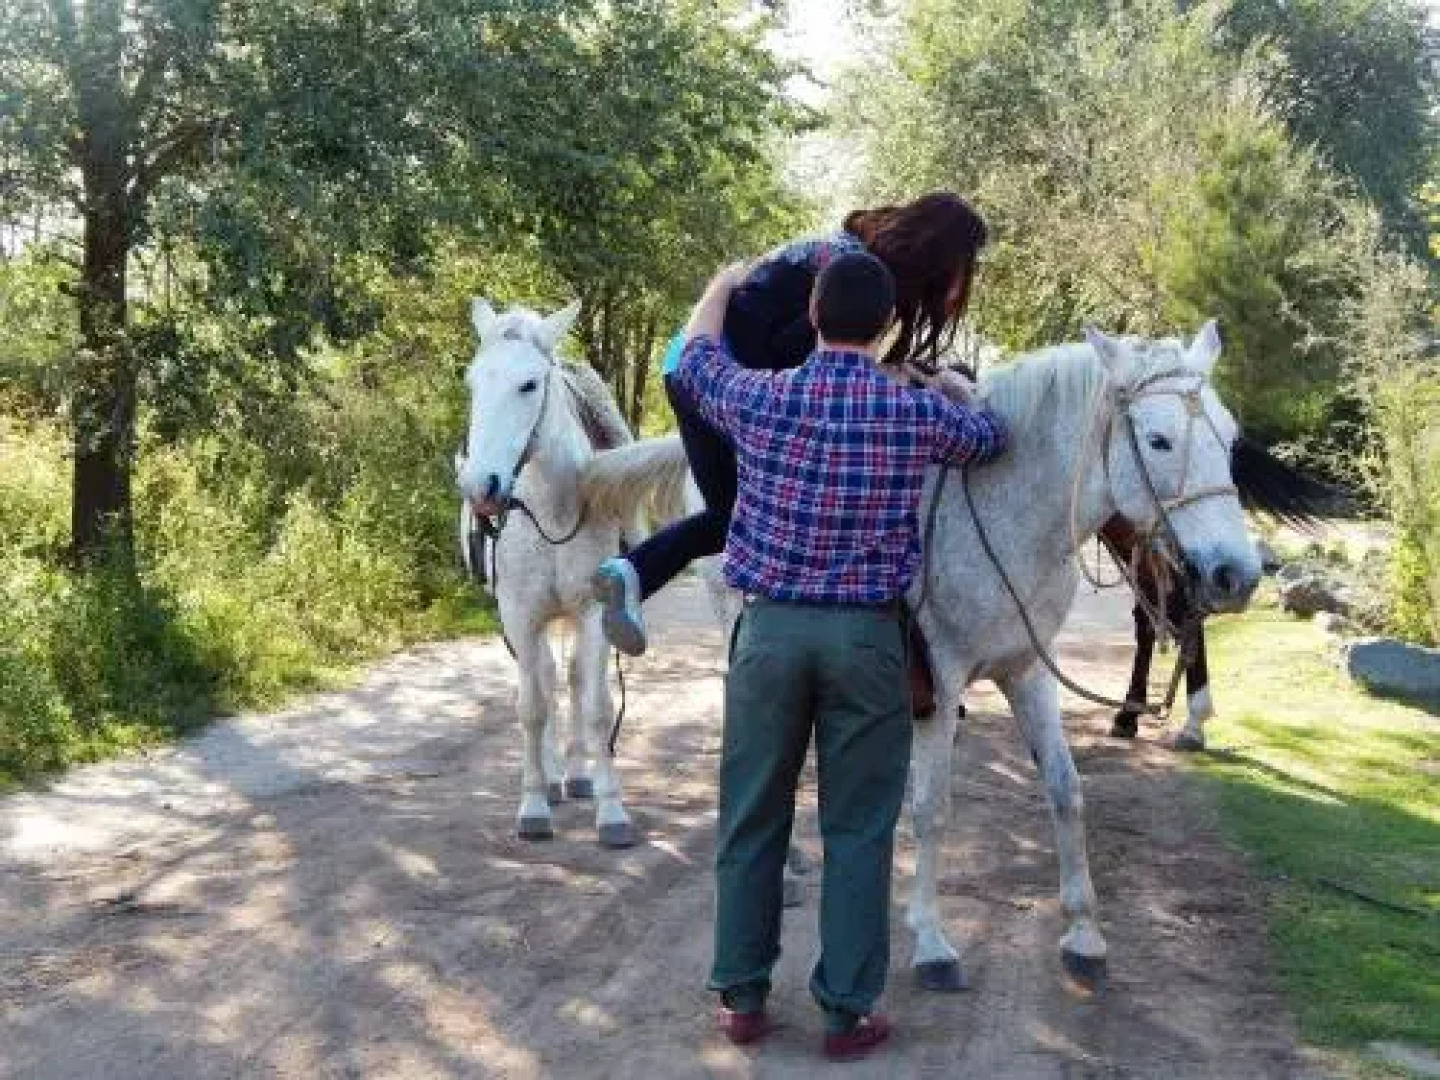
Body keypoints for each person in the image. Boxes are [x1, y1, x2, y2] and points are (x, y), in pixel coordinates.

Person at [671, 254, 1007, 1060]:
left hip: (770, 634)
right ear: (887, 326)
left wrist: (720, 284)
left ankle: (743, 996)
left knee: (753, 813)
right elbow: (990, 439)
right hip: (866, 639)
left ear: (814, 318)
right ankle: (847, 1011)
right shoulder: (910, 415)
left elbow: (693, 361)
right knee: (858, 827)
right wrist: (955, 389)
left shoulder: (762, 397)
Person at [592, 192, 989, 656]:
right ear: (940, 257)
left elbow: (821, 361)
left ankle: (631, 573)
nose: (965, 284)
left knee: (728, 515)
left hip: (688, 363)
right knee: (792, 499)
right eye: (966, 266)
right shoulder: (848, 272)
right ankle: (892, 653)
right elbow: (785, 349)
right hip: (718, 369)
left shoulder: (849, 257)